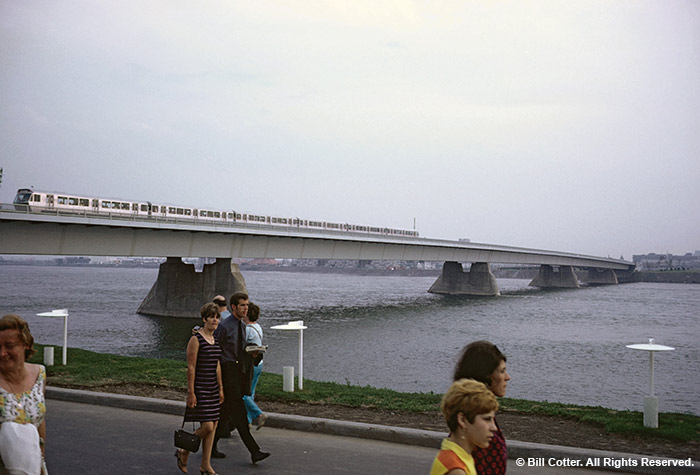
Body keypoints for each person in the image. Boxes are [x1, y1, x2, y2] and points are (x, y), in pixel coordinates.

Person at [211, 292, 270, 464]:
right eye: (242, 305)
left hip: (238, 372)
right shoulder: (224, 326)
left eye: (247, 305)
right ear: (234, 307)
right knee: (239, 412)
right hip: (227, 372)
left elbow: (240, 349)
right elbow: (215, 351)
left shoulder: (242, 326)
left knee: (224, 414)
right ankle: (254, 451)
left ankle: (209, 446)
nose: (246, 308)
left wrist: (254, 354)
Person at [176, 303, 224, 475]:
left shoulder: (214, 339)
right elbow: (191, 367)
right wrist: (191, 392)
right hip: (200, 388)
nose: (215, 320)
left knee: (214, 424)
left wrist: (220, 388)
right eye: (211, 317)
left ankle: (205, 464)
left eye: (217, 317)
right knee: (208, 427)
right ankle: (184, 450)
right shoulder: (196, 339)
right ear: (204, 319)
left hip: (212, 387)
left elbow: (217, 364)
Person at [453, 341, 511, 474]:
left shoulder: (477, 413)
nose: (507, 377)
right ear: (486, 375)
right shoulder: (476, 422)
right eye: (502, 371)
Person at [0, 314, 48, 474]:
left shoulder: (39, 374)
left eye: (9, 346)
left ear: (26, 344)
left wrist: (41, 456)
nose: (2, 353)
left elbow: (40, 421)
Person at [430, 379, 499, 475]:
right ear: (462, 420)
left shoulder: (456, 456)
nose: (494, 428)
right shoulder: (456, 469)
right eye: (487, 419)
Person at [242, 302, 266, 428]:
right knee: (251, 392)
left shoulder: (247, 329)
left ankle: (258, 414)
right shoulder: (257, 327)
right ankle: (248, 420)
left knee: (243, 394)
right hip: (259, 363)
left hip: (250, 364)